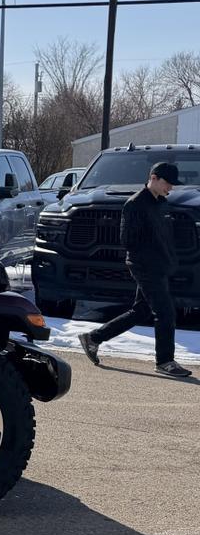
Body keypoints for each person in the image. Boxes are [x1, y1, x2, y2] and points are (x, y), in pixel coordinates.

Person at [78, 162, 192, 378]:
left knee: (141, 311)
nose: (171, 187)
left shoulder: (161, 203)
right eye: (168, 183)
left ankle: (93, 338)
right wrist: (152, 256)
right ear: (154, 178)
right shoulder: (135, 204)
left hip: (160, 266)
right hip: (145, 267)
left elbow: (166, 237)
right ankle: (165, 362)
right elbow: (128, 241)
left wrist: (169, 260)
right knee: (165, 312)